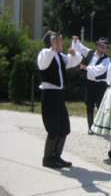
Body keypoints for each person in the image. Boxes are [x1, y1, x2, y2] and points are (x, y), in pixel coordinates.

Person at [38, 31, 82, 168]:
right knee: (53, 127)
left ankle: (56, 156)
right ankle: (47, 158)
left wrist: (74, 53)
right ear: (51, 42)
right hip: (49, 95)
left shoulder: (59, 56)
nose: (61, 42)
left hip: (58, 95)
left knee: (64, 127)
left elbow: (72, 61)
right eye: (59, 40)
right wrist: (51, 47)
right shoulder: (45, 53)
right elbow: (43, 63)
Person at [71, 36, 110, 135]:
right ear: (97, 46)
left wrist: (87, 67)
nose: (102, 48)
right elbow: (80, 48)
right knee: (89, 105)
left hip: (101, 85)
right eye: (101, 46)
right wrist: (75, 41)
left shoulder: (107, 59)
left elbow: (99, 70)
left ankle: (101, 126)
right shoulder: (90, 53)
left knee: (101, 106)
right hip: (90, 83)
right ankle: (90, 127)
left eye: (105, 47)